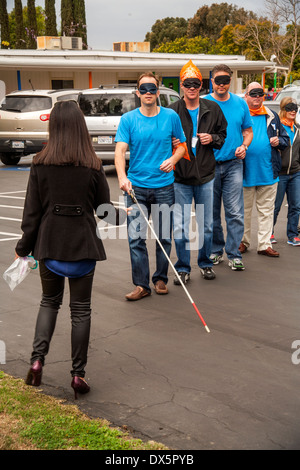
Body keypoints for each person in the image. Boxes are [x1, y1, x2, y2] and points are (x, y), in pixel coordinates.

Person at [15, 100, 124, 399]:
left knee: (49, 302)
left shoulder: (40, 162)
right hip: (82, 247)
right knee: (80, 311)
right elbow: (104, 211)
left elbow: (31, 213)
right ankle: (78, 376)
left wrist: (23, 248)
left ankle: (37, 361)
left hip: (49, 244)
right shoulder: (91, 164)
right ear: (80, 126)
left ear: (54, 126)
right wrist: (128, 215)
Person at [114, 72, 186, 300]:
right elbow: (120, 151)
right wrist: (122, 177)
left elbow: (183, 147)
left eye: (152, 89)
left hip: (164, 187)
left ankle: (160, 279)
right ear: (137, 92)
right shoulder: (128, 119)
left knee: (164, 236)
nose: (147, 93)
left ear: (158, 91)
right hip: (136, 188)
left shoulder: (170, 116)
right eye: (143, 89)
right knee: (136, 238)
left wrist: (173, 160)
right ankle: (141, 285)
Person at [169, 60, 227, 282]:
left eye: (196, 83)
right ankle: (183, 267)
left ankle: (205, 263)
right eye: (187, 83)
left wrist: (211, 138)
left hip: (205, 176)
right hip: (180, 177)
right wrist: (172, 143)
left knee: (207, 225)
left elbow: (223, 136)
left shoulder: (212, 109)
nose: (192, 87)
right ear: (181, 85)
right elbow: (163, 141)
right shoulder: (172, 111)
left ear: (201, 86)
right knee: (181, 226)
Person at [205, 64, 253, 271]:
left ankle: (234, 253)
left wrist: (244, 145)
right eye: (218, 80)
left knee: (234, 211)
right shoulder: (203, 102)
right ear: (212, 81)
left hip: (234, 164)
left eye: (225, 80)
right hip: (209, 164)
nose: (222, 84)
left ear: (230, 81)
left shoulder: (240, 104)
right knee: (213, 212)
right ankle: (216, 251)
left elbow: (248, 131)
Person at [239, 82, 290, 256]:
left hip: (268, 172)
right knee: (243, 212)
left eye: (260, 93)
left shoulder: (272, 116)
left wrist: (279, 141)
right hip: (244, 173)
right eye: (252, 93)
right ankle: (242, 242)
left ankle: (264, 244)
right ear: (246, 96)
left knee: (266, 212)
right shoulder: (240, 115)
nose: (256, 96)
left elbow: (285, 140)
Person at [272, 97, 300, 246]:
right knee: (275, 207)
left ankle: (293, 235)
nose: (293, 111)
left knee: (295, 205)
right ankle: (269, 233)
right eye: (289, 108)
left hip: (295, 173)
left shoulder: (298, 130)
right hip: (280, 174)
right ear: (283, 109)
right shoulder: (277, 129)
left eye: (295, 108)